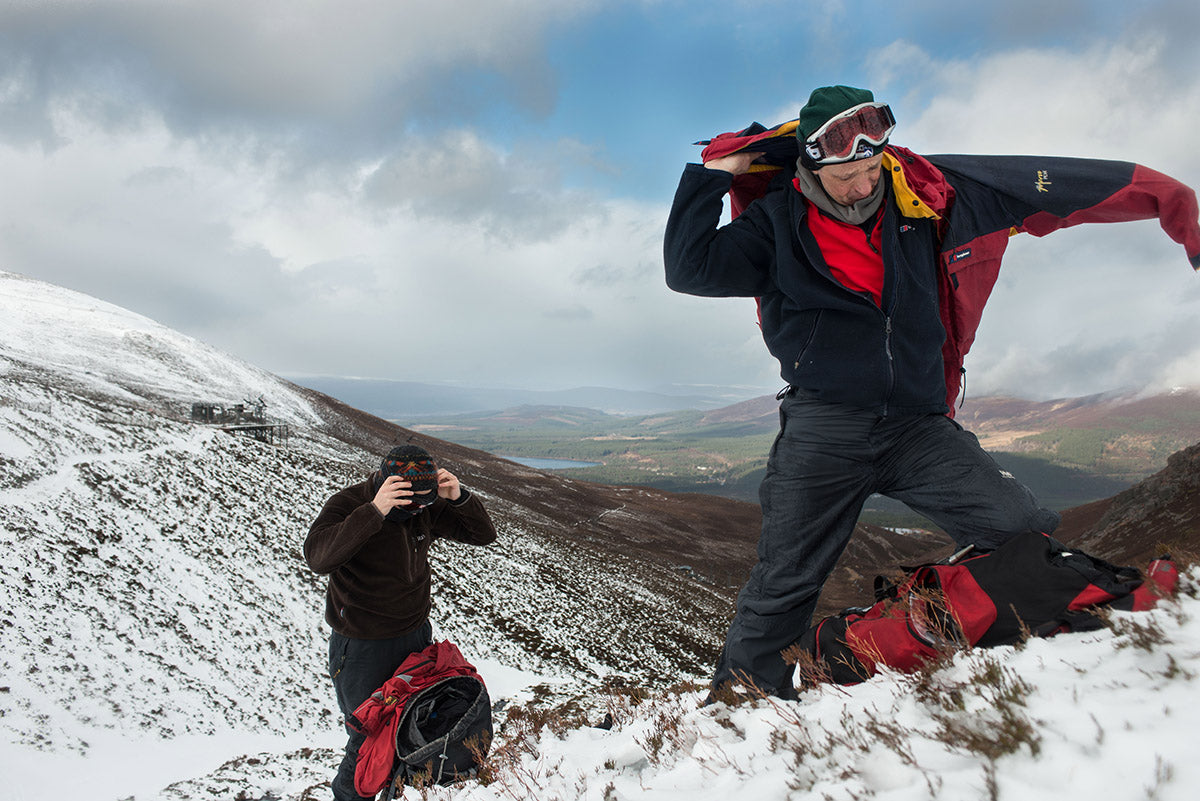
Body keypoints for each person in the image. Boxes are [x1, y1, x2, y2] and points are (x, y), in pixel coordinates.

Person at [663, 85, 1200, 700]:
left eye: (872, 170)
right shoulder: (776, 221)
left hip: (917, 425)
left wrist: (1168, 199)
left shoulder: (928, 195)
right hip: (825, 425)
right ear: (812, 166)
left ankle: (903, 626)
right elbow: (690, 270)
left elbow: (1057, 185)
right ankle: (740, 698)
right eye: (847, 177)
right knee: (786, 577)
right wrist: (709, 177)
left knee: (1020, 527)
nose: (864, 187)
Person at [304, 444, 497, 800]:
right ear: (387, 484)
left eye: (424, 504)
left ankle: (396, 791)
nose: (417, 512)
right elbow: (318, 557)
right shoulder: (349, 504)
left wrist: (458, 497)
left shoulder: (422, 506)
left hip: (415, 637)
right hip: (362, 646)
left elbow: (482, 535)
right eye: (409, 504)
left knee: (409, 724)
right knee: (367, 737)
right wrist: (376, 510)